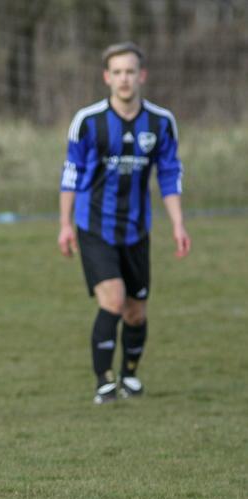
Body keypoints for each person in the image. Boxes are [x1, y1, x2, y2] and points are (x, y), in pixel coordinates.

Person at [57, 42, 190, 405]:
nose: (124, 78)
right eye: (117, 72)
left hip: (136, 230)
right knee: (113, 300)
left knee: (136, 311)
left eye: (130, 71)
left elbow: (169, 174)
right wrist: (65, 224)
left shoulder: (161, 122)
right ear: (107, 77)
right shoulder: (88, 122)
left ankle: (129, 375)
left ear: (141, 75)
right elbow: (71, 175)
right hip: (94, 225)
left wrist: (178, 224)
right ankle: (104, 381)